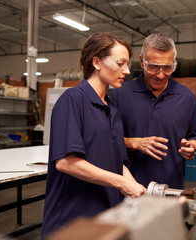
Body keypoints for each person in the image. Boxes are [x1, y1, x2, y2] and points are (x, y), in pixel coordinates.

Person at [41, 32, 146, 238]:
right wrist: (122, 183)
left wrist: (136, 189)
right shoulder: (72, 100)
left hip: (105, 217)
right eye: (120, 63)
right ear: (97, 62)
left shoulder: (112, 109)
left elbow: (118, 163)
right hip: (72, 221)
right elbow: (66, 163)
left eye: (127, 64)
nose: (126, 71)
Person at [111, 33, 196, 189]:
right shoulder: (121, 94)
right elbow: (107, 140)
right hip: (128, 189)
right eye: (153, 67)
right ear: (142, 62)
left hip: (171, 189)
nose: (160, 75)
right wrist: (134, 143)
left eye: (167, 68)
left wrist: (192, 146)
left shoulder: (187, 97)